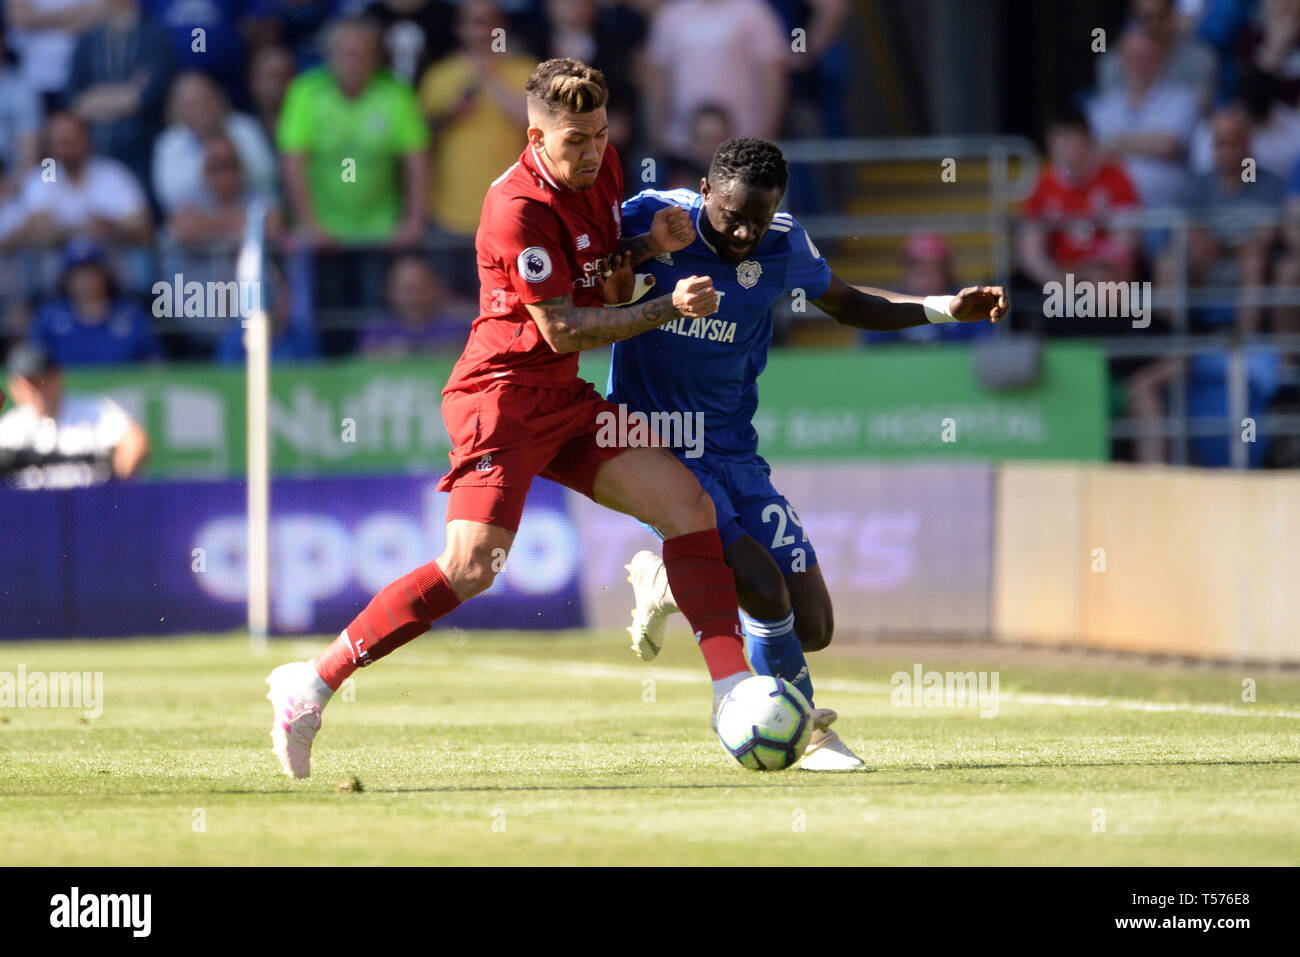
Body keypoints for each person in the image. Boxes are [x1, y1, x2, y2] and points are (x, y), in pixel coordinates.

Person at [265, 58, 756, 779]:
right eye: (574, 143)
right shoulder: (513, 208)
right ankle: (310, 686)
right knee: (471, 567)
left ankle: (731, 692)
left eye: (598, 135)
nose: (591, 153)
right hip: (498, 398)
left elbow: (599, 272)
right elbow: (561, 326)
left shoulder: (605, 167)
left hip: (563, 397)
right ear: (534, 137)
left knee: (689, 506)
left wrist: (649, 247)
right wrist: (665, 307)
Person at [605, 137, 1007, 771]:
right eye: (730, 215)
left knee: (812, 625)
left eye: (756, 220)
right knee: (762, 588)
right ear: (705, 192)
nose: (742, 232)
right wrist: (641, 250)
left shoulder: (785, 242)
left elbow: (847, 305)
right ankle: (810, 733)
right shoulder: (655, 216)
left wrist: (943, 309)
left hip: (734, 447)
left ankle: (669, 581)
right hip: (651, 443)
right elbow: (591, 269)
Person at [0, 342, 151, 489]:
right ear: (16, 386)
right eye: (30, 383)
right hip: (35, 511)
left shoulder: (94, 410)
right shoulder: (11, 426)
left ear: (58, 377)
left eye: (43, 380)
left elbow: (135, 441)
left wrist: (120, 479)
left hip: (91, 506)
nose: (38, 390)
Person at [26, 237, 162, 364]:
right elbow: (31, 361)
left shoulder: (131, 315)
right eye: (78, 274)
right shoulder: (50, 317)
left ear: (105, 275)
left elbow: (155, 363)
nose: (86, 281)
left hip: (125, 388)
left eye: (92, 272)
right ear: (66, 279)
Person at [356, 254, 474, 356]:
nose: (414, 296)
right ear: (388, 291)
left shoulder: (456, 328)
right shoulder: (376, 330)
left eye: (421, 287)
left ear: (436, 288)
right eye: (407, 289)